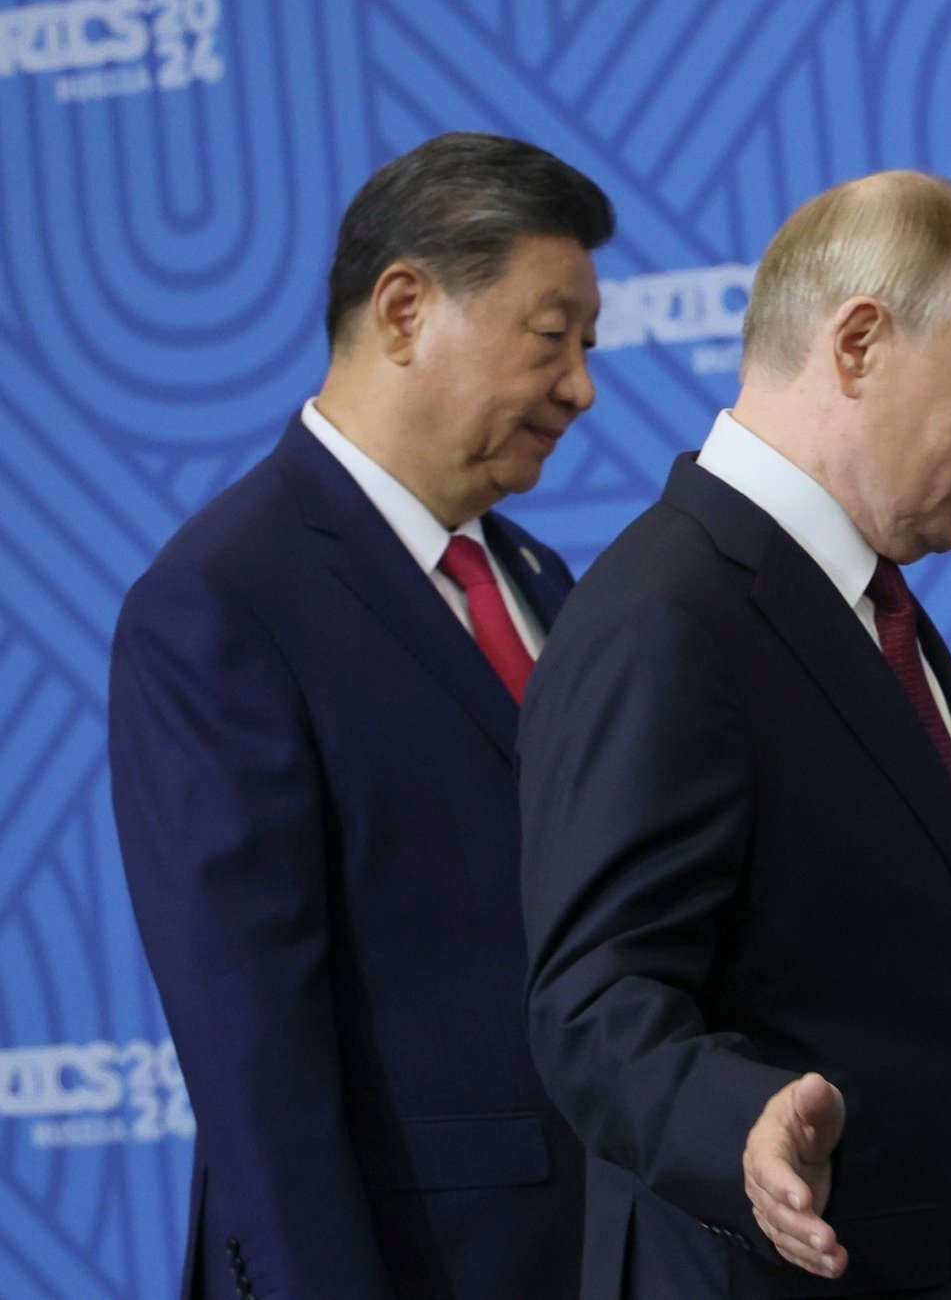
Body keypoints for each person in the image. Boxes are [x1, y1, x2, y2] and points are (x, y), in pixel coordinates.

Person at [518, 170, 951, 1299]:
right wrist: (741, 1127)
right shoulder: (665, 613)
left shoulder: (865, 598)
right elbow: (596, 998)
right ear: (857, 344)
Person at [107, 132, 613, 1300]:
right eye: (552, 338)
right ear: (403, 307)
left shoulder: (546, 581)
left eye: (588, 347)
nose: (583, 386)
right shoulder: (221, 601)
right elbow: (253, 1055)